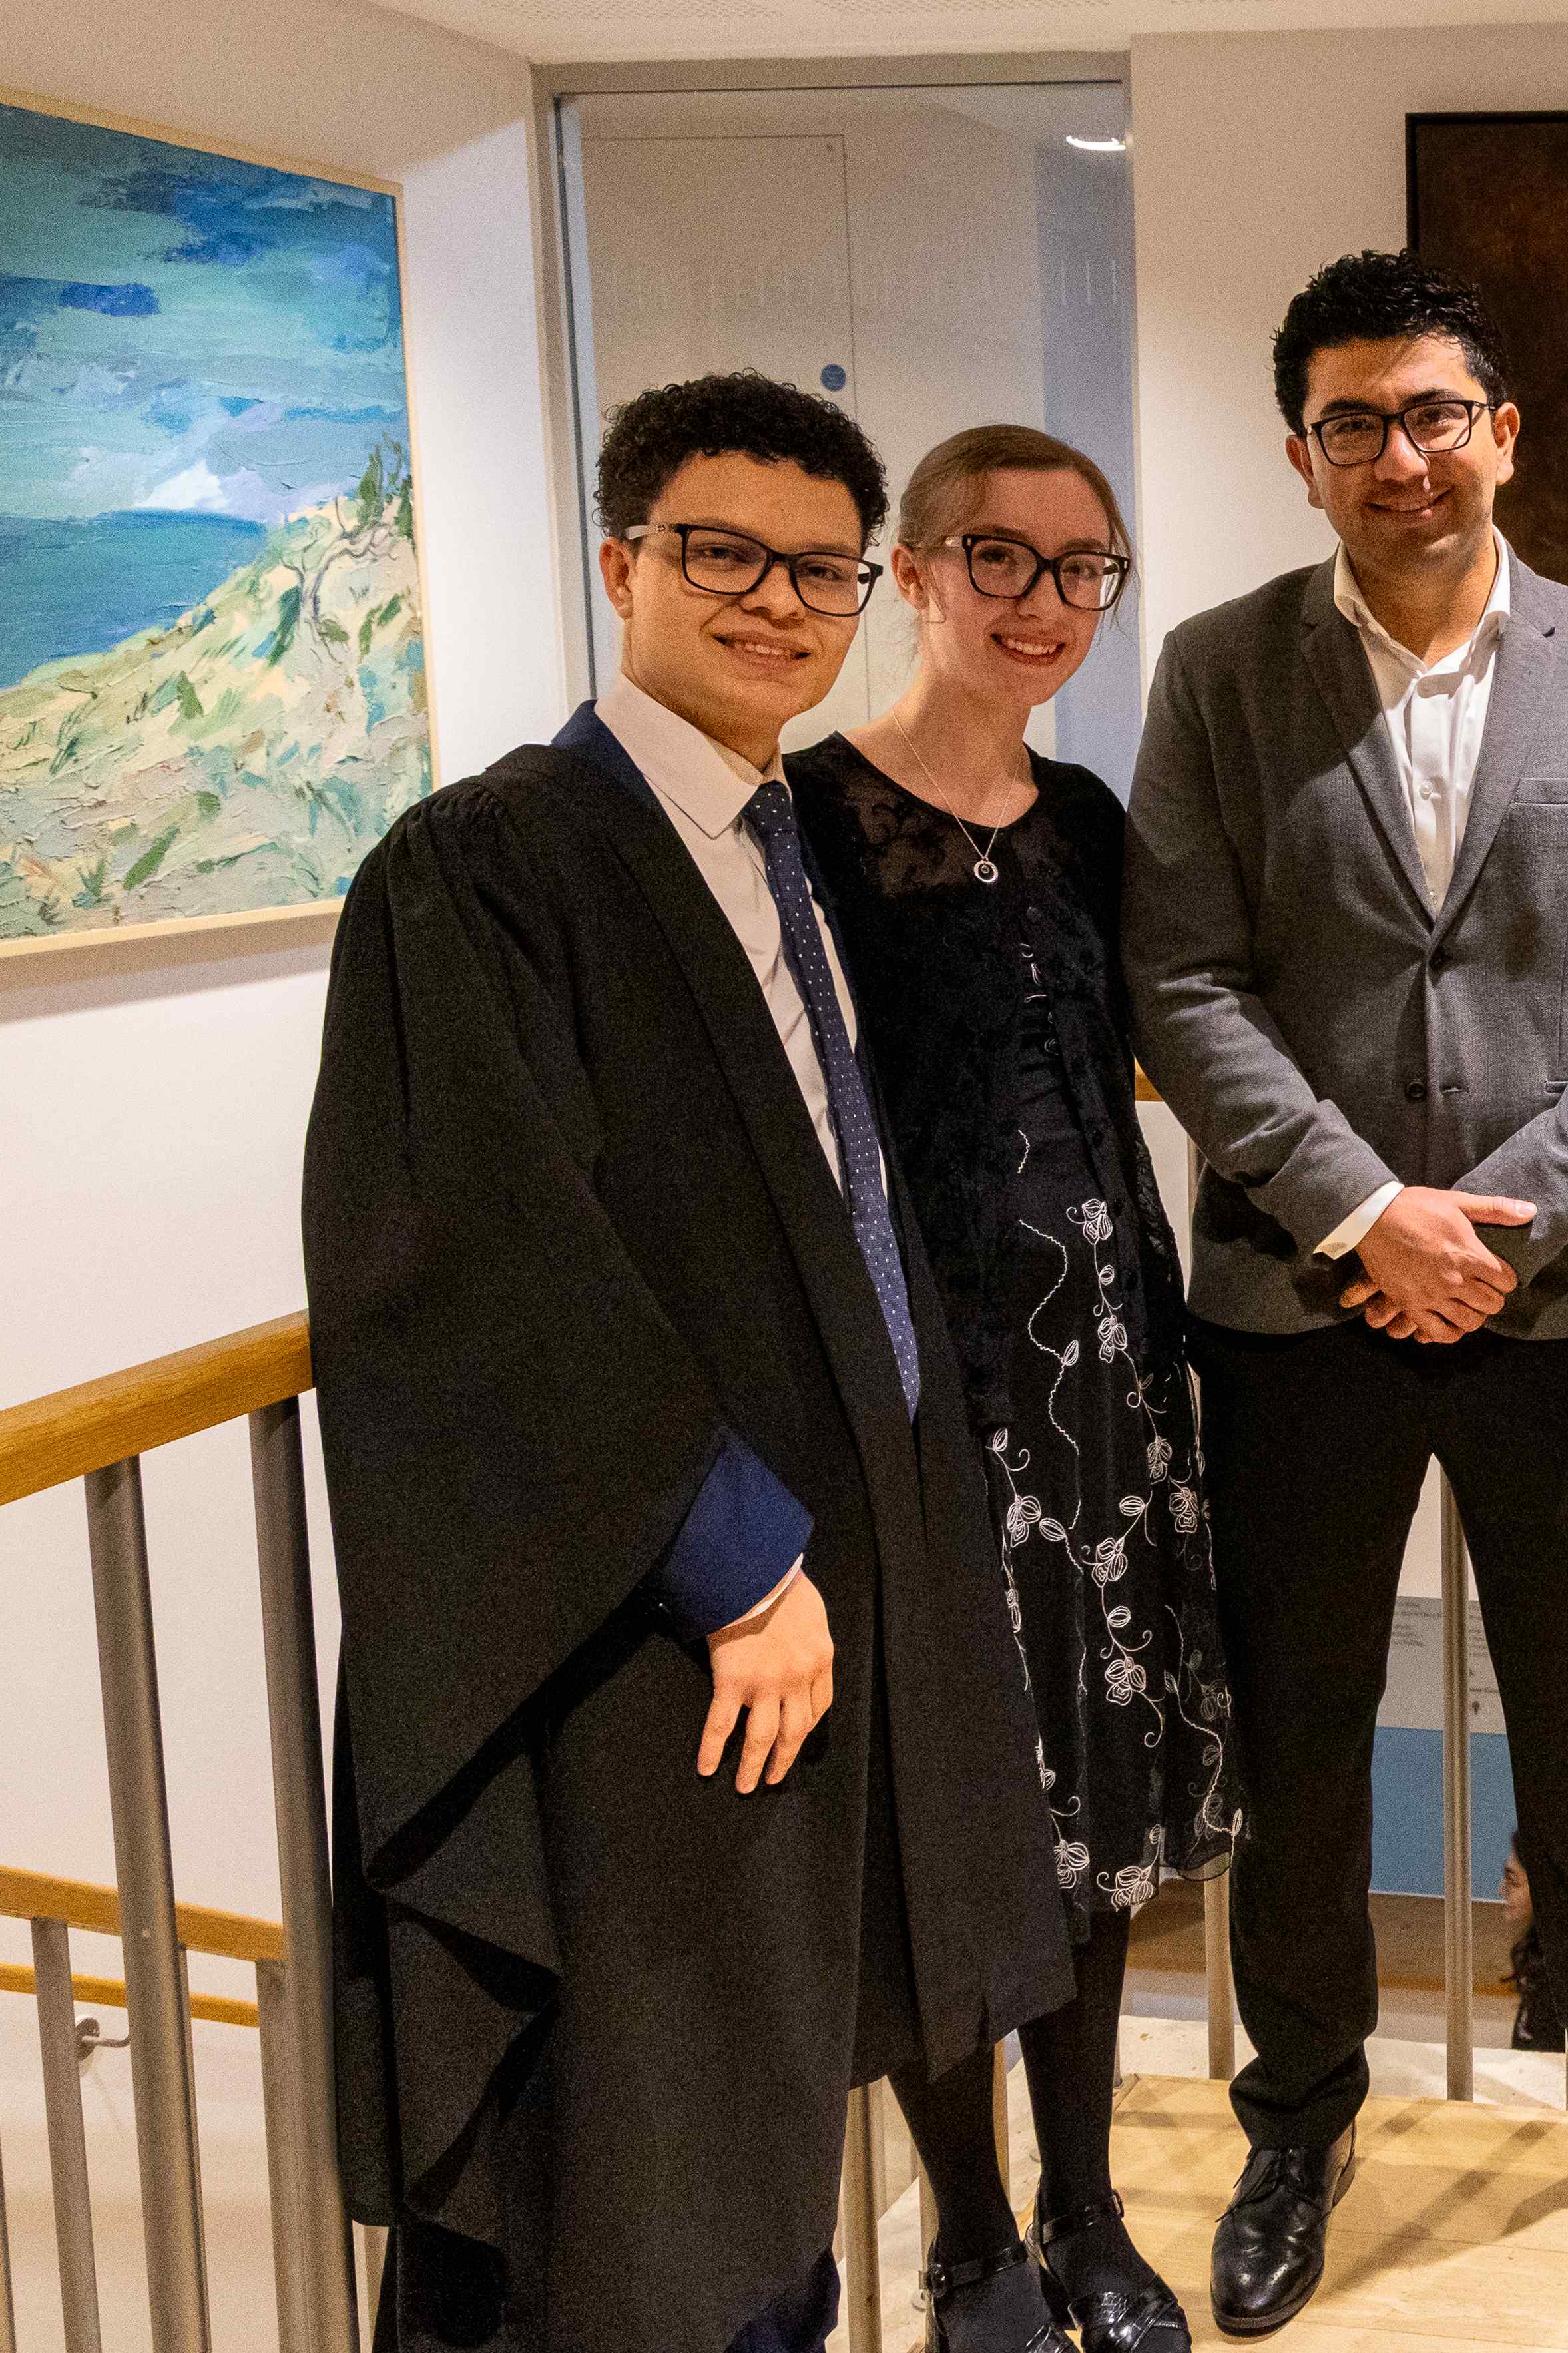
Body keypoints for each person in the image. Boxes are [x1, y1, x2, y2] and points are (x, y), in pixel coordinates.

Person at [303, 372, 1069, 2353]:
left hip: (817, 1591)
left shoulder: (776, 840)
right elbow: (482, 1264)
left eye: (821, 571)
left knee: (760, 2126)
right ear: (621, 562)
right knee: (636, 2161)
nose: (776, 604)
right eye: (723, 554)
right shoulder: (486, 863)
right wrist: (732, 1562)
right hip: (649, 1624)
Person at [1120, 249, 1568, 2331]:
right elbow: (1182, 981)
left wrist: (1495, 1230)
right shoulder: (1217, 673)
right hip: (1296, 1313)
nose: (1403, 457)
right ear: (1303, 455)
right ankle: (1298, 2116)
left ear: (1504, 435)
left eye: (1436, 415)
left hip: (1555, 1312)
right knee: (1297, 1730)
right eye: (1356, 424)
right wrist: (1363, 1212)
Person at [788, 424, 1238, 2353]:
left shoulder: (1091, 823)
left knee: (1098, 1813)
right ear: (911, 570)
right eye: (1001, 557)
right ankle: (968, 2234)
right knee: (945, 1816)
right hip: (921, 1405)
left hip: (1110, 1395)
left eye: (1081, 571)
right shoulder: (805, 821)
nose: (1044, 602)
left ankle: (1087, 2205)